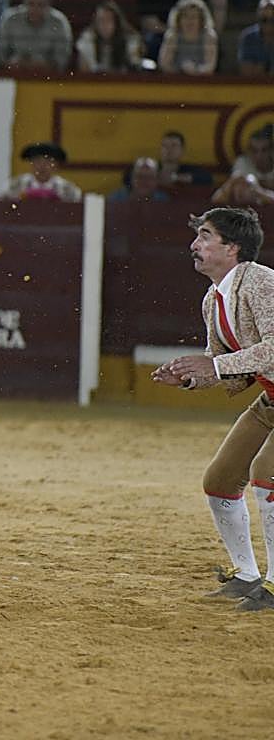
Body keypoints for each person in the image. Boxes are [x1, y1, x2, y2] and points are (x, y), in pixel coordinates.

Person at [151, 207, 274, 611]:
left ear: (232, 247)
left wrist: (215, 365)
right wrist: (189, 377)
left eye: (205, 236)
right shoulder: (213, 300)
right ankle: (246, 575)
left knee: (266, 475)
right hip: (270, 398)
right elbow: (237, 377)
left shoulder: (260, 280)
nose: (194, 245)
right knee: (221, 480)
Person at [0, 0, 73, 72]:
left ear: (49, 5)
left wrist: (41, 65)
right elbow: (0, 54)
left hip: (48, 77)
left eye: (41, 5)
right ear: (24, 2)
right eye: (31, 4)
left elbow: (62, 59)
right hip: (13, 73)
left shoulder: (59, 22)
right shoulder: (10, 19)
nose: (35, 9)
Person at [75, 0, 143, 73]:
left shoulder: (131, 41)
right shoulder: (87, 40)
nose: (104, 25)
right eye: (101, 20)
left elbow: (134, 69)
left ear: (117, 23)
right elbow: (84, 73)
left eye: (108, 20)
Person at [158, 0, 217, 75]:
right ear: (178, 19)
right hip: (175, 81)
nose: (189, 21)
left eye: (194, 17)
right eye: (185, 16)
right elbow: (164, 65)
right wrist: (181, 70)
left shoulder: (209, 36)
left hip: (201, 82)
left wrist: (195, 70)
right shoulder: (172, 36)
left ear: (201, 19)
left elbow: (210, 66)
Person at [213, 128, 274, 204]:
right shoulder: (242, 163)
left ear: (271, 151)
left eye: (264, 150)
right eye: (254, 150)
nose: (259, 156)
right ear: (248, 151)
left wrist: (257, 189)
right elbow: (216, 199)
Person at [7, 142, 82, 202]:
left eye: (48, 162)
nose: (42, 166)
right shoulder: (14, 186)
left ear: (56, 165)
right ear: (31, 163)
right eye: (38, 161)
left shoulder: (68, 189)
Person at [238, 0, 274, 77]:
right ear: (258, 17)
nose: (269, 25)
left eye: (273, 20)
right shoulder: (248, 37)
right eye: (264, 20)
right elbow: (246, 72)